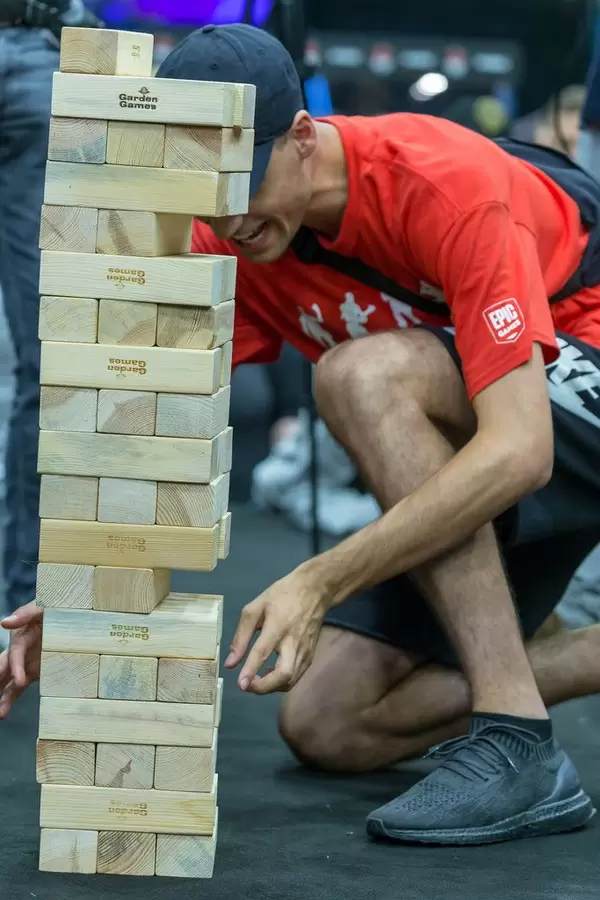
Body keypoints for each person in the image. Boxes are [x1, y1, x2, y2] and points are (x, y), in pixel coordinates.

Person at [3, 24, 600, 846]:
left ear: (304, 138)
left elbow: (521, 449)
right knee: (328, 723)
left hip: (573, 361)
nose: (227, 213)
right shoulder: (238, 236)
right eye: (204, 187)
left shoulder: (442, 183)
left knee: (360, 374)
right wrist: (88, 590)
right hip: (490, 435)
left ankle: (516, 740)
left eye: (244, 181)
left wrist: (320, 579)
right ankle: (576, 652)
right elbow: (157, 417)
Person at [0, 0, 103, 650]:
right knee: (45, 358)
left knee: (42, 362)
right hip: (38, 53)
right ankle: (15, 613)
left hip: (39, 59)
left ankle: (16, 611)